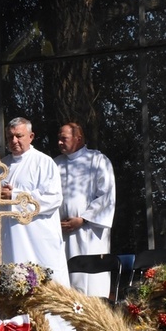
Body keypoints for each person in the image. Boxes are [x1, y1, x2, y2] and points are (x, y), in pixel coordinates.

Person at [0, 117, 79, 331]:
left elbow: (53, 197)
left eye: (19, 136)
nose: (14, 141)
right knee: (15, 289)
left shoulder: (44, 162)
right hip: (12, 240)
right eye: (11, 136)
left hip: (39, 241)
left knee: (48, 288)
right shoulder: (1, 166)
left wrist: (17, 194)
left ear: (31, 137)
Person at [55, 122, 116, 298]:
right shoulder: (55, 164)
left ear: (78, 138)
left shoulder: (98, 160)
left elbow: (107, 195)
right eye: (58, 138)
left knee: (90, 281)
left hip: (89, 231)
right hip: (62, 231)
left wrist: (83, 219)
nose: (59, 142)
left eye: (63, 138)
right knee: (66, 280)